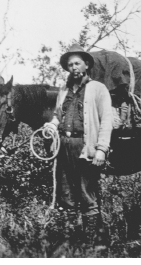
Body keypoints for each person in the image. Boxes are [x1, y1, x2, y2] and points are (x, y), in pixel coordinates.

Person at [42, 44, 113, 249]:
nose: (73, 67)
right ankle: (71, 242)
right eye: (70, 64)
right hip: (63, 146)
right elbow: (58, 115)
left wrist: (101, 149)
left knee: (86, 193)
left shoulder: (98, 89)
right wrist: (52, 125)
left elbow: (106, 120)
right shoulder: (64, 90)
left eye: (77, 63)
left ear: (86, 65)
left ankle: (91, 243)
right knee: (66, 195)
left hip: (85, 147)